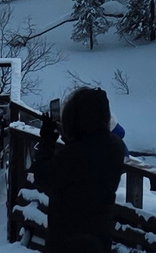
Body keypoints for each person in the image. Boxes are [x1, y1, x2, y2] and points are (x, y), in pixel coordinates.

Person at [38, 86, 125, 253]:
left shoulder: (74, 155)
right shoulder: (115, 145)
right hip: (100, 233)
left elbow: (43, 177)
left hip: (69, 236)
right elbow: (90, 157)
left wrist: (47, 141)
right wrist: (71, 138)